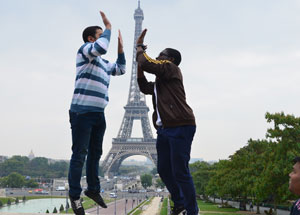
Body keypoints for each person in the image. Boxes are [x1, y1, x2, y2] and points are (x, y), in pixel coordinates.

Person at [68, 11, 126, 215]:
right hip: (82, 112)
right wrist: (108, 28)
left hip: (98, 114)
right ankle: (75, 196)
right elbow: (101, 47)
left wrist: (120, 49)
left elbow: (121, 69)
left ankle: (93, 189)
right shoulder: (85, 51)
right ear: (91, 39)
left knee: (95, 154)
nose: (104, 39)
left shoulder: (102, 63)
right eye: (100, 35)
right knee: (80, 155)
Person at [136, 29, 199, 215]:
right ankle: (179, 202)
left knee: (180, 171)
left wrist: (139, 48)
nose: (157, 56)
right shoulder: (160, 84)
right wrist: (139, 63)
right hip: (164, 130)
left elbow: (147, 62)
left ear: (170, 59)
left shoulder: (172, 69)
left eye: (161, 55)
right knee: (163, 169)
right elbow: (143, 86)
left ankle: (191, 210)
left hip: (180, 125)